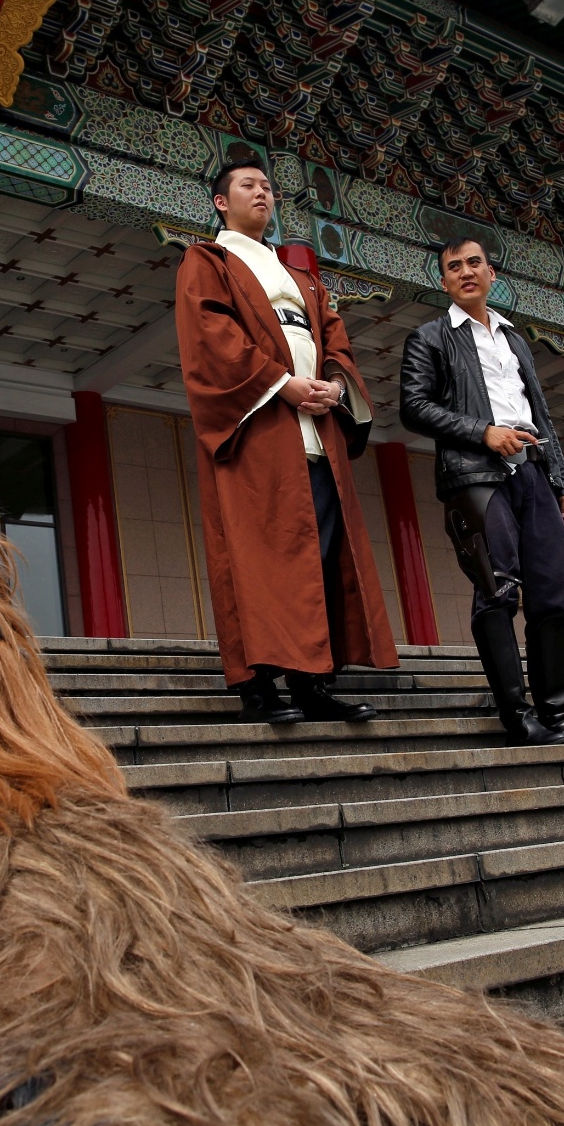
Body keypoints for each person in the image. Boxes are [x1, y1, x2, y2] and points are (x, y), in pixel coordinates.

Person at [172, 150, 399, 723]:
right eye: (248, 185)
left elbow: (336, 341)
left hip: (315, 435)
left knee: (319, 559)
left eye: (268, 187)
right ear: (222, 202)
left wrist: (333, 388)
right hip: (259, 432)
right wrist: (282, 383)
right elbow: (213, 337)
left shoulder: (302, 279)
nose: (263, 193)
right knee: (259, 561)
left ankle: (313, 684)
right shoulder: (209, 261)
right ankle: (258, 685)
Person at [398, 237, 564, 746]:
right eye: (454, 267)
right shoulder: (430, 337)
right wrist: (482, 432)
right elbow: (413, 406)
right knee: (497, 589)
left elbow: (541, 415)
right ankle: (518, 717)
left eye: (474, 263)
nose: (465, 272)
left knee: (555, 588)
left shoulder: (514, 339)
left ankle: (557, 714)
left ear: (491, 274)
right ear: (444, 281)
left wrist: (562, 484)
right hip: (476, 474)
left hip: (533, 472)